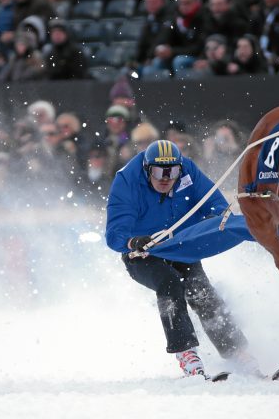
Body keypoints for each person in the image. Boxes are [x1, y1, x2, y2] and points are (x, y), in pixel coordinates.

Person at [105, 140, 258, 378]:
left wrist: (218, 217)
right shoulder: (127, 180)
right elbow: (114, 234)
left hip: (179, 246)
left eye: (172, 172)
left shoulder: (188, 170)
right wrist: (133, 242)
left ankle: (238, 352)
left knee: (200, 289)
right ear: (147, 170)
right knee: (170, 284)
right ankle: (186, 354)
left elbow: (215, 203)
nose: (166, 178)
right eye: (158, 172)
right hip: (142, 253)